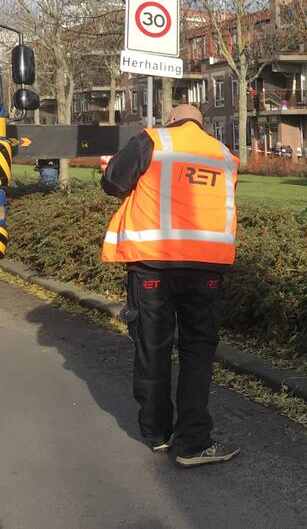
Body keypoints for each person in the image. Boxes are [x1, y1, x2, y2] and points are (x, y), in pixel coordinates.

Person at [101, 104, 241, 468]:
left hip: (153, 265)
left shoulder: (152, 141)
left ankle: (157, 433)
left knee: (153, 345)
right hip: (206, 268)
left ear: (170, 121)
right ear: (201, 124)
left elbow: (113, 182)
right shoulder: (224, 154)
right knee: (198, 353)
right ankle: (194, 442)